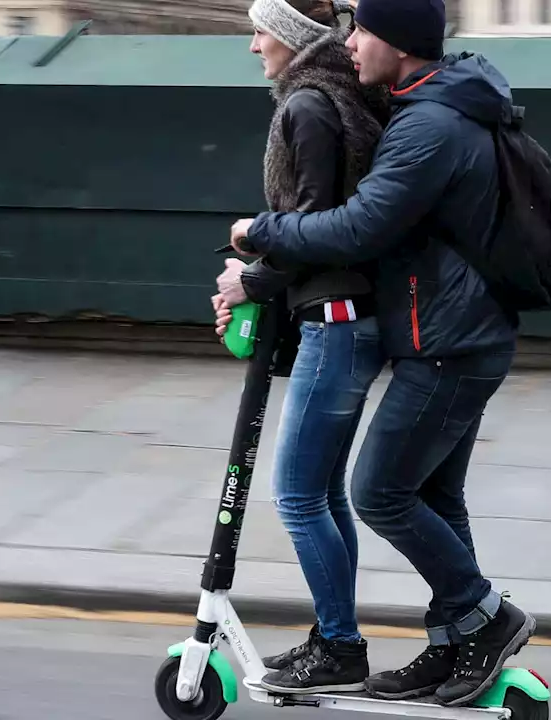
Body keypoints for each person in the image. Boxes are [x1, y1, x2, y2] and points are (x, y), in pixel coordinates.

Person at [221, 0, 536, 708]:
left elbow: (357, 225)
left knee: (374, 493)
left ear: (395, 39)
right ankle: (455, 641)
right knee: (429, 494)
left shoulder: (427, 123)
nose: (351, 41)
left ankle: (484, 617)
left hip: (449, 339)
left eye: (362, 30)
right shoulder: (422, 106)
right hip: (449, 331)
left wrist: (255, 242)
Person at [208, 0, 391, 696]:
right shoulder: (337, 97)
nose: (254, 46)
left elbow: (313, 228)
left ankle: (340, 646)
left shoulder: (310, 107)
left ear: (289, 36)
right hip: (348, 318)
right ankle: (332, 637)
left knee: (295, 496)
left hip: (336, 323)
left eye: (261, 32)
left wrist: (251, 277)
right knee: (322, 493)